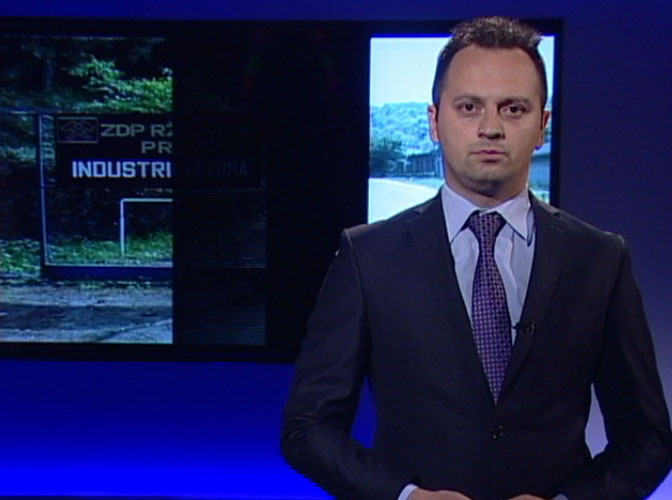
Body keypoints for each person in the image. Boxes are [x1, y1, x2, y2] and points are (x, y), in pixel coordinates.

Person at [281, 16, 672, 500]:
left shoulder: (599, 259)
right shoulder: (368, 257)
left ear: (543, 125)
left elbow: (649, 438)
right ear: (435, 121)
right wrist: (406, 496)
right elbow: (307, 428)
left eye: (513, 109)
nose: (490, 128)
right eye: (469, 107)